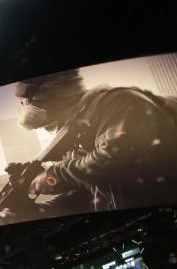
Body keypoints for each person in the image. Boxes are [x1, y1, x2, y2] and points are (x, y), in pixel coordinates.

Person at [14, 68, 177, 214]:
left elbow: (114, 159)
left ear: (54, 100)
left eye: (51, 124)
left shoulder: (121, 101)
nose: (53, 131)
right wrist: (39, 210)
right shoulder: (83, 134)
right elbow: (88, 195)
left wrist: (55, 174)